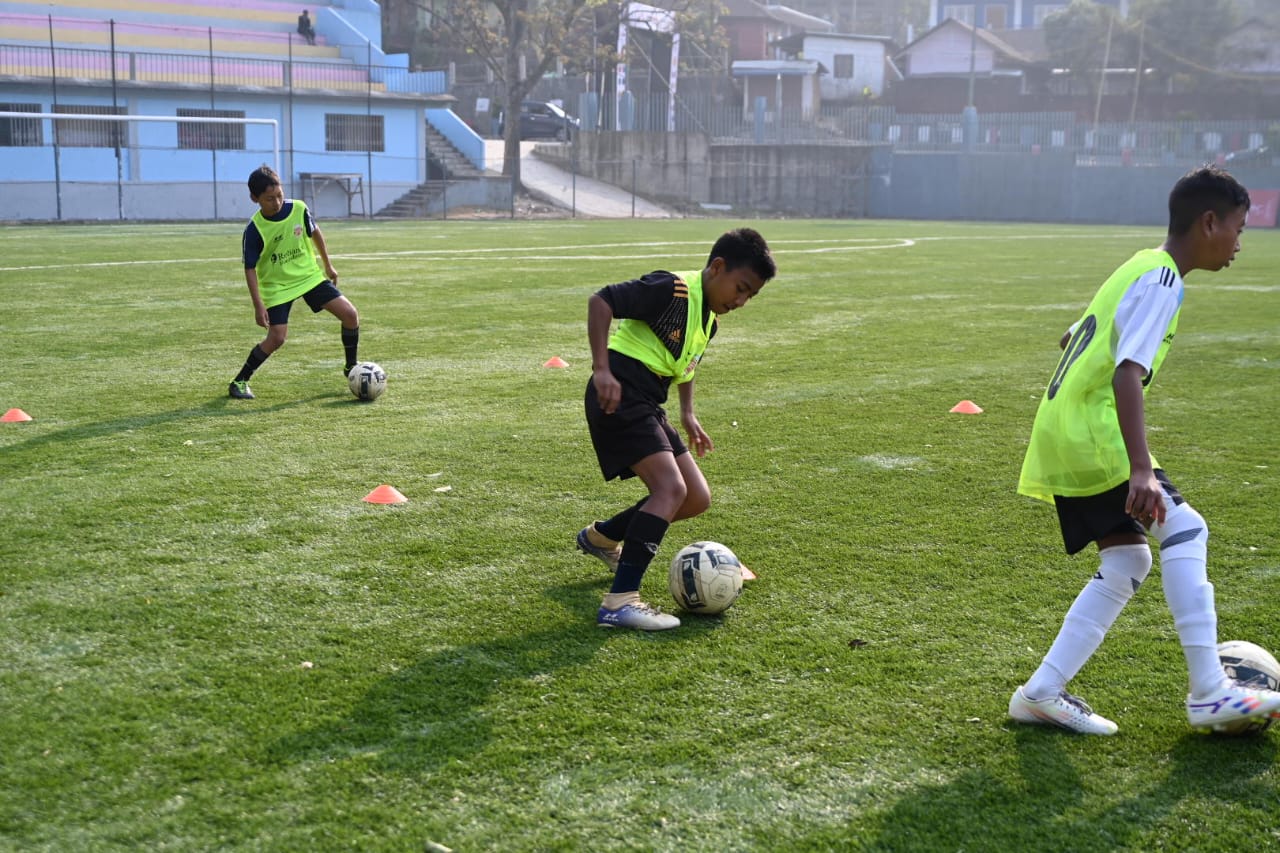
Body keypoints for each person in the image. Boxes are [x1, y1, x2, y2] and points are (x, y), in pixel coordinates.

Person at [1009, 164, 1280, 735]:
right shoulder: (1164, 280)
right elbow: (1127, 372)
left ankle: (1041, 692)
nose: (1238, 241)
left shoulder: (1140, 263)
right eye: (1237, 227)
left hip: (1061, 433)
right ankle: (1210, 690)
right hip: (1093, 435)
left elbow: (1075, 335)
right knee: (1187, 530)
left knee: (1129, 558)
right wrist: (1140, 468)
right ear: (1209, 222)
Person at [577, 228, 776, 630]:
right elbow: (602, 301)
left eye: (749, 296)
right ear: (717, 267)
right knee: (670, 490)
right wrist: (601, 369)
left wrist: (688, 413)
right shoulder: (672, 290)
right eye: (739, 288)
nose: (740, 301)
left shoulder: (709, 320)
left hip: (647, 404)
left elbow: (686, 362)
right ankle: (620, 600)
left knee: (695, 498)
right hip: (619, 394)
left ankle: (602, 537)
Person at [228, 165, 360, 400]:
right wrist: (258, 305)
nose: (276, 202)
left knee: (350, 315)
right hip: (277, 286)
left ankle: (351, 367)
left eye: (279, 195)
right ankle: (239, 381)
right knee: (277, 338)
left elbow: (315, 231)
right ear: (254, 198)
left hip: (308, 276)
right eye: (269, 199)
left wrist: (328, 265)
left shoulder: (299, 208)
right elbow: (249, 268)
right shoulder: (255, 229)